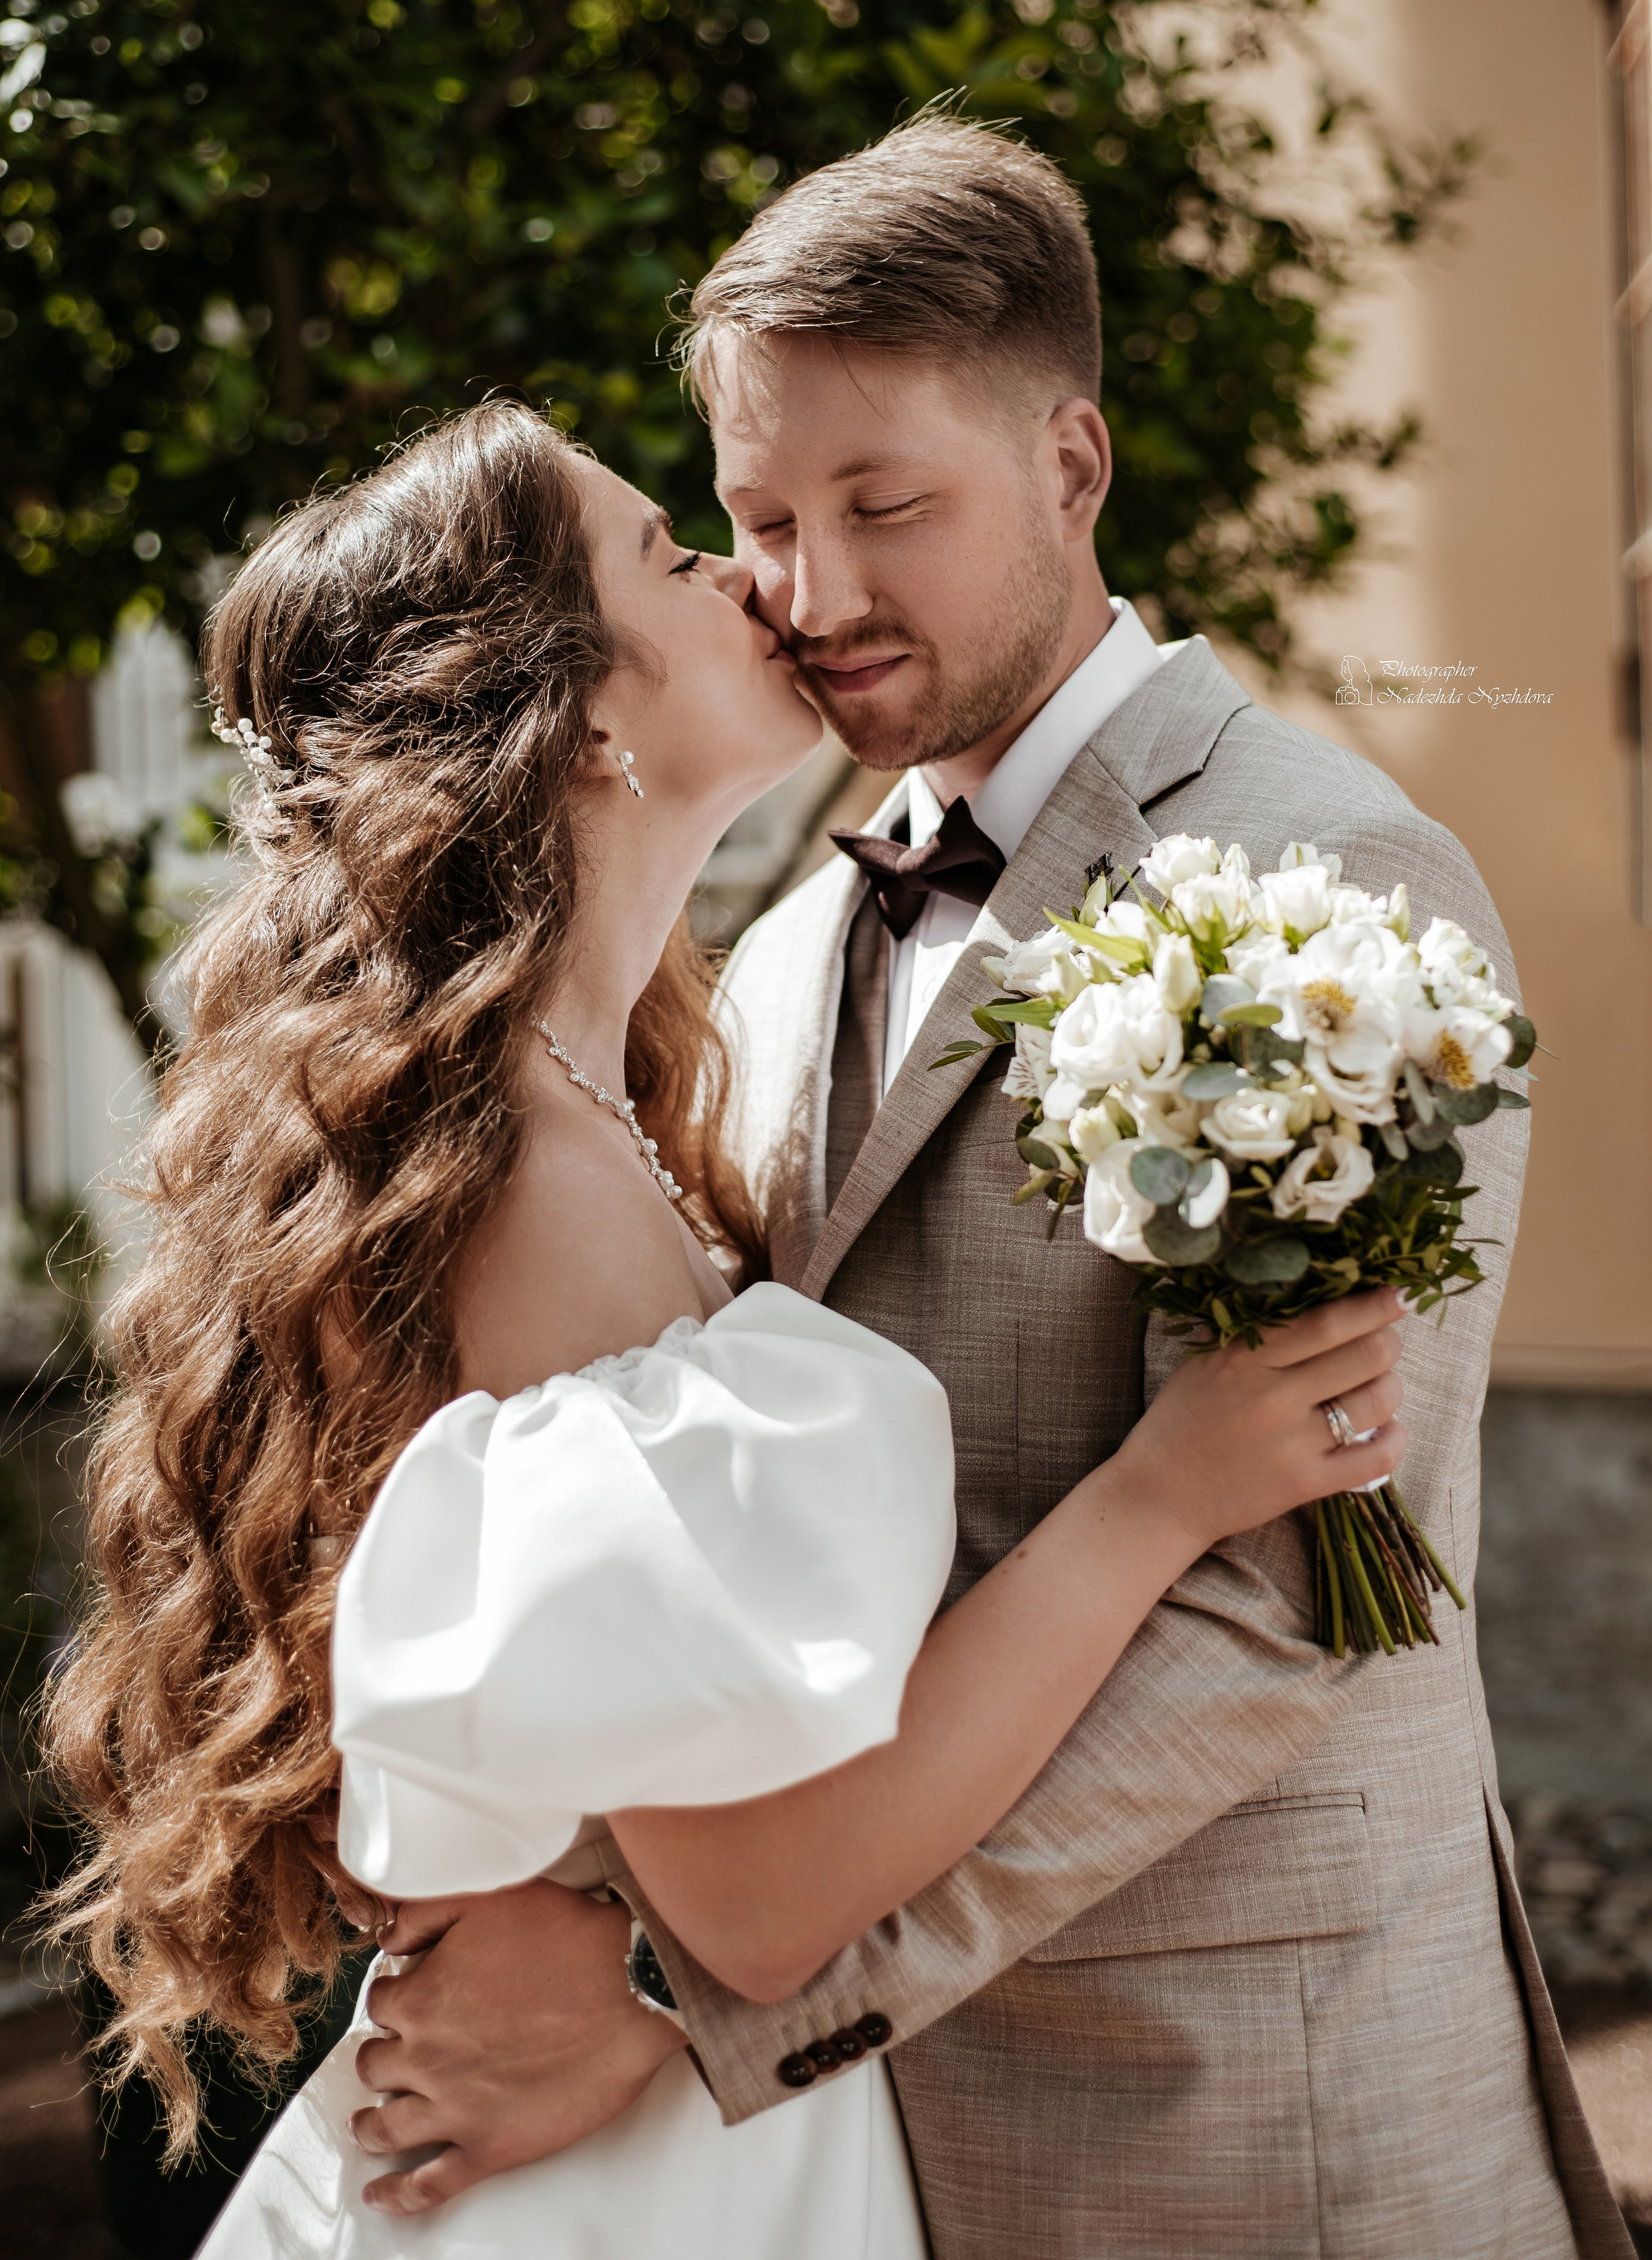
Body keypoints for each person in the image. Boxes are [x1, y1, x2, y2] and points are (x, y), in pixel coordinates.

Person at [342, 121, 1635, 2260]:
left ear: (1074, 461)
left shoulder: (1336, 889)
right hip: (873, 2160)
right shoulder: (774, 951)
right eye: (759, 520)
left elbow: (1287, 1595)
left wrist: (697, 1999)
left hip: (1255, 2125)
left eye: (888, 507)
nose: (817, 591)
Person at [43, 399, 1413, 2260]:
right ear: (582, 710)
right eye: (670, 554)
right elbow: (759, 1903)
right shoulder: (538, 1185)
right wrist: (1158, 1500)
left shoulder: (613, 1111)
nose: (751, 574)